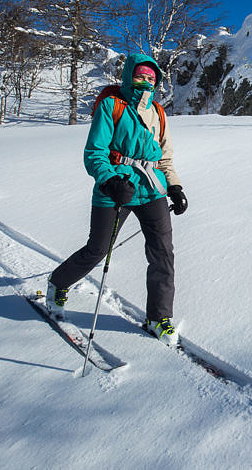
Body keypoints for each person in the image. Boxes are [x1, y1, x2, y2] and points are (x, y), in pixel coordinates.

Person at [45, 54, 188, 346]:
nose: (146, 82)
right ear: (128, 76)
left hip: (151, 189)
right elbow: (94, 152)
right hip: (115, 187)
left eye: (151, 78)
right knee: (97, 250)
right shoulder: (111, 105)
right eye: (140, 76)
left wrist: (174, 187)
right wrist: (110, 181)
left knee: (162, 252)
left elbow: (165, 157)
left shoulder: (158, 113)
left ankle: (158, 317)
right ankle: (58, 283)